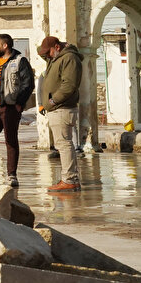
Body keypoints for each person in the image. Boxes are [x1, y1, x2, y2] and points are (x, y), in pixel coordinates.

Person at [0, 34, 34, 187]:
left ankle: (11, 175)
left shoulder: (20, 61)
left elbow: (28, 84)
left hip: (10, 108)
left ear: (5, 46)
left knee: (10, 140)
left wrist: (19, 104)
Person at [38, 35, 83, 192]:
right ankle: (70, 178)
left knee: (64, 145)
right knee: (63, 144)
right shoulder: (56, 58)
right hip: (57, 108)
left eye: (48, 52)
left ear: (57, 47)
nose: (46, 56)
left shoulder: (69, 58)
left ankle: (69, 179)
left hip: (62, 107)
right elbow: (40, 51)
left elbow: (69, 85)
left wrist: (52, 101)